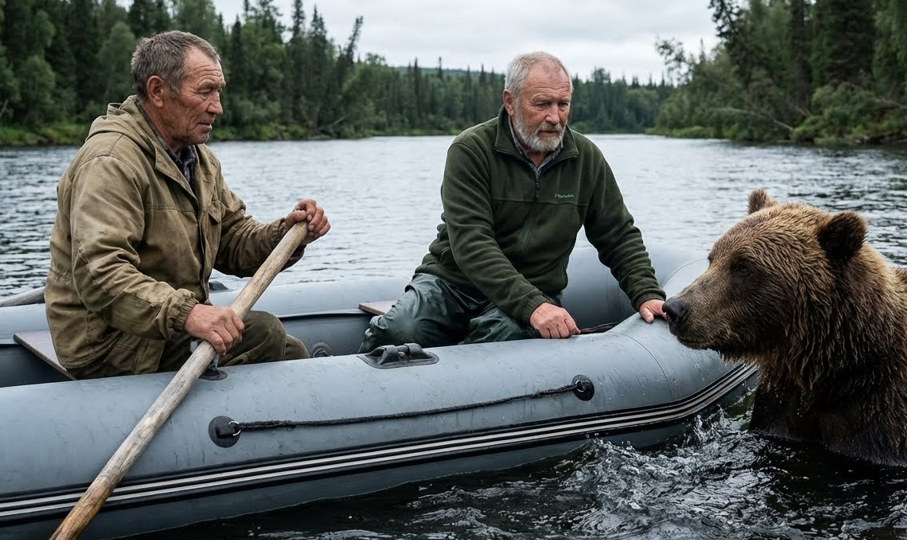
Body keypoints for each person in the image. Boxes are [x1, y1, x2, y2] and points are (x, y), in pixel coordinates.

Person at [45, 30, 330, 379]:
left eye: (219, 91)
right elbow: (101, 274)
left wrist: (285, 234)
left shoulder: (199, 160)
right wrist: (190, 314)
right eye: (205, 91)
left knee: (289, 350)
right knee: (264, 333)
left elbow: (232, 239)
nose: (218, 106)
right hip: (113, 345)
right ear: (158, 91)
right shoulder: (111, 161)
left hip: (164, 330)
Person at [359, 51, 665, 352]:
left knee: (499, 339)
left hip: (537, 287)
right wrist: (531, 306)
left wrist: (647, 293)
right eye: (542, 104)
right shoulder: (471, 150)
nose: (555, 117)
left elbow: (618, 236)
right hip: (452, 285)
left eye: (563, 104)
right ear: (510, 102)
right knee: (400, 331)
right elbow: (472, 243)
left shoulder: (587, 159)